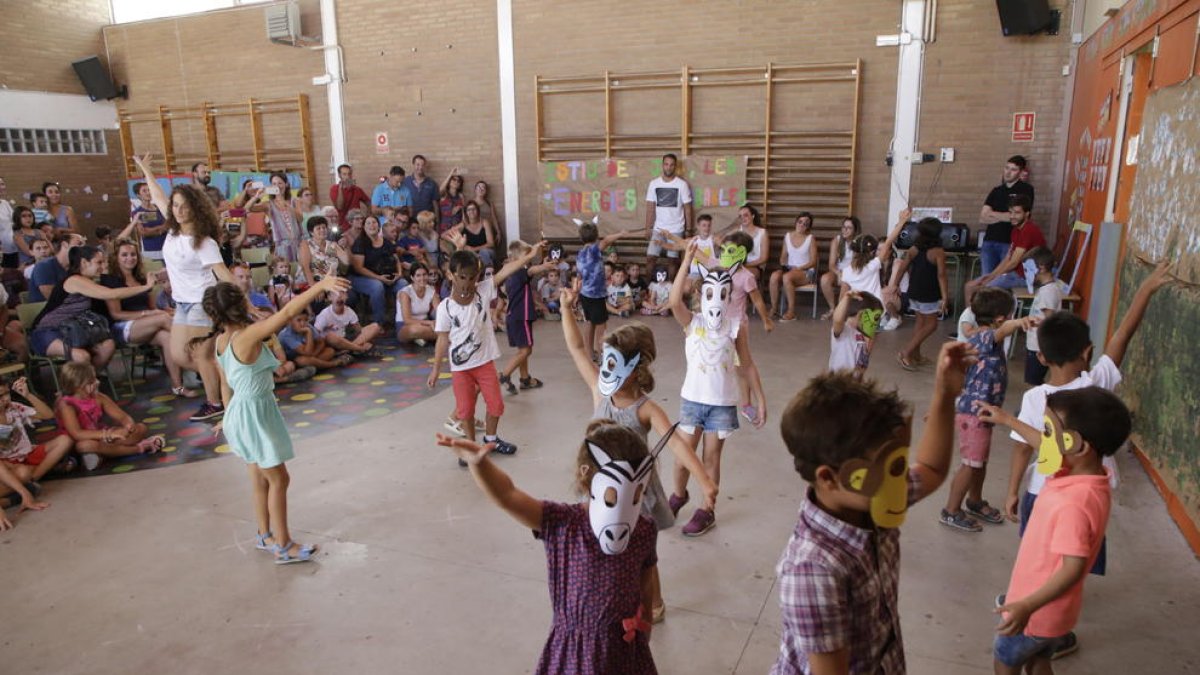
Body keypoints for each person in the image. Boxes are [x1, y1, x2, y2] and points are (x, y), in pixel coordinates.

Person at [771, 342, 971, 674]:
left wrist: (945, 393)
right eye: (889, 467)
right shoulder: (812, 571)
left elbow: (932, 470)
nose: (900, 479)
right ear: (829, 478)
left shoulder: (875, 495)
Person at [437, 420, 659, 673]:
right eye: (612, 496)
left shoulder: (643, 529)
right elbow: (507, 496)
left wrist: (645, 627)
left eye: (636, 496)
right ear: (587, 479)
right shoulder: (563, 524)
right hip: (574, 652)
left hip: (624, 647)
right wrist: (480, 464)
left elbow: (645, 583)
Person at [1004, 264, 1171, 582]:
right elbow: (1123, 334)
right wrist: (1145, 290)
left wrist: (1012, 491)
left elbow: (1021, 449)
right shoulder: (1097, 384)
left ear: (1041, 358)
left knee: (1039, 557)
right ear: (1088, 351)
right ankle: (1062, 600)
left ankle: (1037, 602)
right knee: (1076, 556)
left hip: (1042, 491)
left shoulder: (1035, 397)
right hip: (1086, 493)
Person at [559, 291, 718, 621]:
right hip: (602, 490)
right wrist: (564, 309)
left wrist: (704, 481)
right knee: (606, 545)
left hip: (636, 496)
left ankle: (654, 604)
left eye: (612, 362)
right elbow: (576, 348)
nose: (602, 368)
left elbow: (676, 444)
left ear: (633, 370)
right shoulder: (597, 391)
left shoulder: (645, 409)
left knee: (644, 555)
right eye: (603, 360)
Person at [979, 388, 1130, 675]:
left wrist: (1025, 606)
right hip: (1056, 616)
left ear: (1079, 446)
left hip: (1033, 613)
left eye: (1048, 432)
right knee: (1038, 661)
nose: (1043, 439)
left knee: (1005, 663)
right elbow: (1051, 446)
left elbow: (1072, 568)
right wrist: (1008, 420)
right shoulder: (1088, 477)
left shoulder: (1073, 503)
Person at [204, 275, 349, 563]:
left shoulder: (221, 340)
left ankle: (264, 534)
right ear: (239, 304)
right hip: (255, 415)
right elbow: (285, 313)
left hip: (242, 414)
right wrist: (319, 286)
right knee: (279, 479)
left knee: (259, 479)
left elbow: (224, 385)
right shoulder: (248, 336)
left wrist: (228, 416)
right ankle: (284, 546)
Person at [667, 241, 765, 537]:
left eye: (724, 293)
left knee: (711, 458)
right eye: (711, 292)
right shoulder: (692, 322)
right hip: (692, 401)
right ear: (700, 294)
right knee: (683, 458)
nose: (717, 298)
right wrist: (686, 261)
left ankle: (707, 510)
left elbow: (747, 364)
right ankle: (679, 495)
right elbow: (674, 302)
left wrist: (760, 399)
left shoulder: (736, 326)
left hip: (721, 404)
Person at [133, 153, 236, 423]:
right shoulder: (172, 231)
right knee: (179, 355)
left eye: (183, 206)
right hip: (182, 303)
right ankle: (226, 377)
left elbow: (223, 273)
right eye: (175, 205)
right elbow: (157, 196)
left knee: (201, 355)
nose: (178, 210)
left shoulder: (203, 241)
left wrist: (242, 306)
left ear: (196, 209)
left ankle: (215, 403)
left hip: (204, 303)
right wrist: (146, 169)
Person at [426, 235, 542, 456]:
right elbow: (442, 339)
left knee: (496, 405)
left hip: (484, 364)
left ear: (477, 277)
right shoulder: (445, 308)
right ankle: (471, 445)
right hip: (461, 370)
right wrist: (436, 369)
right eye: (462, 277)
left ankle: (491, 440)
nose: (467, 283)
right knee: (466, 410)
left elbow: (507, 271)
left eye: (472, 278)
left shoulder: (484, 290)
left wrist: (530, 254)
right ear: (451, 276)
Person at [939, 288, 1034, 532]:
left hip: (981, 413)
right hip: (974, 415)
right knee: (971, 464)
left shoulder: (980, 340)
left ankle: (974, 500)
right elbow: (1002, 331)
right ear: (1001, 318)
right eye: (1010, 315)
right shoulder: (985, 338)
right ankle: (951, 510)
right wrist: (1019, 322)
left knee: (979, 462)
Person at [29, 245, 154, 369]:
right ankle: (78, 384)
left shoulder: (90, 280)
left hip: (75, 330)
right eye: (99, 262)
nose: (103, 266)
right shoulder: (74, 280)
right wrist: (145, 287)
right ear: (84, 262)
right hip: (47, 332)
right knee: (82, 356)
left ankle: (89, 380)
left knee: (108, 345)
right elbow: (111, 294)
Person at [101, 239, 195, 397]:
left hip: (148, 323)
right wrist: (148, 314)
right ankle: (197, 348)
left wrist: (166, 311)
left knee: (167, 337)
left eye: (133, 254)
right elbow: (116, 314)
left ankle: (177, 386)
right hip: (122, 326)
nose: (130, 258)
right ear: (116, 257)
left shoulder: (142, 279)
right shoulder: (110, 281)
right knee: (164, 319)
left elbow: (153, 309)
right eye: (124, 255)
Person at [56, 362, 164, 469]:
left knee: (141, 428)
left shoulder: (98, 397)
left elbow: (122, 416)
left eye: (95, 378)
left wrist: (128, 425)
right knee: (85, 446)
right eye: (91, 381)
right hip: (80, 442)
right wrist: (108, 435)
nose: (97, 382)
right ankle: (139, 448)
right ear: (77, 387)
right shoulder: (66, 404)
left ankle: (103, 454)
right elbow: (77, 434)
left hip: (102, 437)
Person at [719, 231, 772, 425]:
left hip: (737, 326)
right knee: (733, 366)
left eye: (729, 249)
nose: (724, 253)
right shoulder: (721, 270)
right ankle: (742, 404)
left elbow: (757, 300)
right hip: (721, 326)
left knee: (745, 365)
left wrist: (766, 320)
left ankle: (758, 402)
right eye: (723, 249)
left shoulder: (746, 276)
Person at [576, 218, 640, 359]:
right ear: (596, 235)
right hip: (596, 295)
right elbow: (605, 241)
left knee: (589, 323)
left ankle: (589, 353)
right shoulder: (593, 250)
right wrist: (621, 234)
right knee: (601, 325)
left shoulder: (580, 254)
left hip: (585, 295)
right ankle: (602, 352)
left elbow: (579, 275)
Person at [965, 194, 1046, 304]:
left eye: (1017, 213)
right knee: (969, 286)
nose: (1012, 216)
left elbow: (1013, 263)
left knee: (982, 291)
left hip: (1026, 277)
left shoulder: (1029, 230)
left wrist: (991, 279)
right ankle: (969, 320)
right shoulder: (1015, 230)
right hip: (1016, 274)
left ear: (1027, 214)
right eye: (1011, 212)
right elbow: (1008, 258)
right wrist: (991, 275)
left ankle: (983, 319)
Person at [892, 217, 949, 369]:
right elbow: (941, 275)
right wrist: (945, 296)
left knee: (920, 322)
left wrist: (895, 284)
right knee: (932, 325)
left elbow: (902, 267)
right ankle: (906, 352)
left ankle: (915, 356)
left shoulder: (913, 249)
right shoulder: (938, 252)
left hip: (914, 291)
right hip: (929, 293)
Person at [498, 240, 554, 395]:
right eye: (526, 255)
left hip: (516, 317)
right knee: (526, 351)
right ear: (515, 259)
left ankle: (525, 378)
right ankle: (504, 375)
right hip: (520, 317)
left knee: (523, 349)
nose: (529, 258)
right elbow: (532, 271)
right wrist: (543, 266)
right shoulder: (518, 273)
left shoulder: (515, 274)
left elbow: (530, 271)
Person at [841, 209, 907, 331]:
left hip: (854, 310)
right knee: (866, 343)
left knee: (854, 340)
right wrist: (901, 222)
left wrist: (841, 316)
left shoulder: (846, 271)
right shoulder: (873, 265)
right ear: (872, 252)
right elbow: (888, 242)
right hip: (873, 309)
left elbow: (842, 298)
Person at [0, 376, 73, 482]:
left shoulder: (14, 407)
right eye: (0, 395)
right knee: (22, 472)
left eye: (7, 393)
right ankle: (46, 469)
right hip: (8, 463)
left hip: (27, 454)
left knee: (65, 440)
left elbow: (48, 415)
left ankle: (34, 478)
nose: (6, 398)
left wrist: (28, 395)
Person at [979, 155, 1035, 276]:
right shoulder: (996, 190)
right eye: (1007, 168)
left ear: (1020, 172)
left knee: (1003, 279)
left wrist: (992, 214)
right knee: (986, 278)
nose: (1008, 172)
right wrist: (1005, 216)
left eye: (1013, 170)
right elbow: (983, 217)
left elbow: (1018, 217)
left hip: (1010, 242)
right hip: (990, 241)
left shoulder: (1025, 189)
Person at [643, 153, 693, 278]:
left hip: (676, 229)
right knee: (650, 258)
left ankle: (671, 289)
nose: (668, 167)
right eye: (666, 164)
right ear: (662, 165)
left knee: (673, 261)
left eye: (671, 165)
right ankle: (649, 288)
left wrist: (688, 229)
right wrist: (648, 227)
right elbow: (650, 207)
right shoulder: (654, 184)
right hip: (658, 229)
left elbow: (688, 209)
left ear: (675, 166)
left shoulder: (682, 184)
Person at [350, 214, 402, 326]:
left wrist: (399, 274)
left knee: (403, 284)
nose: (371, 225)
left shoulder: (386, 242)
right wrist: (379, 278)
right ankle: (379, 323)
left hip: (386, 276)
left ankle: (400, 320)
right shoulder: (360, 243)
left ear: (379, 226)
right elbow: (358, 268)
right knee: (377, 286)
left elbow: (396, 259)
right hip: (361, 278)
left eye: (374, 222)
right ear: (364, 227)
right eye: (368, 223)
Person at [1023, 247, 1062, 386]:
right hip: (1036, 344)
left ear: (1042, 268)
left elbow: (1050, 321)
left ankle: (1038, 405)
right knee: (1032, 380)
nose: (1026, 274)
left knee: (1033, 382)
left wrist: (1045, 348)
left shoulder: (1048, 292)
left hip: (1039, 347)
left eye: (1028, 269)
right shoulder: (1046, 289)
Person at [769, 213, 818, 320]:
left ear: (808, 227)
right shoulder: (787, 236)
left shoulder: (810, 238)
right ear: (796, 222)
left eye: (806, 224)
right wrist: (784, 265)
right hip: (790, 268)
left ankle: (791, 312)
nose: (802, 225)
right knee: (774, 276)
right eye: (800, 222)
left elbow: (813, 262)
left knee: (787, 277)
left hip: (805, 271)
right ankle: (774, 308)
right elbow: (783, 257)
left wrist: (799, 268)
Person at [248, 172, 302, 263]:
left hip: (299, 244)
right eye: (274, 184)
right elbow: (249, 208)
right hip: (281, 247)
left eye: (280, 183)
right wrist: (256, 196)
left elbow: (300, 218)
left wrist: (287, 205)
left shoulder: (295, 201)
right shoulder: (269, 204)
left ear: (286, 184)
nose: (277, 186)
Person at [828, 291, 883, 378]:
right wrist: (846, 298)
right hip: (837, 381)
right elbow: (837, 320)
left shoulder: (865, 335)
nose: (875, 324)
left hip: (854, 381)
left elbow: (864, 359)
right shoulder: (844, 330)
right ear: (861, 314)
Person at [314, 290, 382, 356]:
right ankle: (358, 348)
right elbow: (315, 334)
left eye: (342, 293)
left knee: (375, 327)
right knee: (330, 337)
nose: (339, 296)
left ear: (346, 296)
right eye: (335, 293)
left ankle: (348, 350)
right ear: (329, 297)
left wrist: (365, 335)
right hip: (332, 344)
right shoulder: (324, 314)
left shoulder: (349, 311)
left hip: (346, 340)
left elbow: (359, 331)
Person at [279, 309, 351, 371]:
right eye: (299, 320)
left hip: (311, 355)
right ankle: (333, 364)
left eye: (305, 320)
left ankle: (316, 364)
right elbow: (307, 353)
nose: (303, 324)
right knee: (302, 361)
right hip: (294, 360)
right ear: (290, 321)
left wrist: (314, 354)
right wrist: (308, 333)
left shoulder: (308, 326)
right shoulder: (286, 335)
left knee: (330, 351)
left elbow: (321, 342)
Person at [818, 216, 861, 320]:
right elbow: (831, 264)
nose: (845, 230)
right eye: (844, 227)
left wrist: (845, 275)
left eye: (849, 228)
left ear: (855, 230)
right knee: (824, 279)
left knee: (845, 283)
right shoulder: (836, 240)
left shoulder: (859, 242)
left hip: (853, 272)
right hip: (838, 271)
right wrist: (838, 273)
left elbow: (857, 264)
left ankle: (839, 313)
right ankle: (833, 309)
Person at [28, 231, 84, 302]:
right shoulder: (44, 266)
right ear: (65, 244)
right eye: (79, 244)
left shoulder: (75, 265)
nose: (84, 248)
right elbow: (53, 298)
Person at [297, 215, 349, 289]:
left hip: (330, 282)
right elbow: (305, 268)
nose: (322, 230)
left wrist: (345, 246)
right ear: (311, 232)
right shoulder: (306, 244)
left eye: (324, 227)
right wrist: (314, 287)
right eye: (318, 228)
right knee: (339, 296)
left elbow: (347, 261)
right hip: (310, 283)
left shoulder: (332, 245)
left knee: (344, 294)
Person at [719, 204, 769, 279]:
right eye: (740, 216)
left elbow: (763, 258)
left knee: (741, 276)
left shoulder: (762, 233)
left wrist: (744, 265)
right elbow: (720, 239)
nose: (743, 218)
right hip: (736, 264)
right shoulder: (737, 231)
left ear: (753, 216)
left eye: (746, 215)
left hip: (755, 266)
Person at [396, 262, 438, 345]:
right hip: (407, 326)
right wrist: (429, 323)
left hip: (427, 324)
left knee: (445, 325)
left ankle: (424, 337)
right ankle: (444, 336)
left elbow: (440, 311)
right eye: (418, 275)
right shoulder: (405, 292)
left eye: (424, 274)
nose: (422, 278)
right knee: (415, 330)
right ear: (412, 277)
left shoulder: (431, 290)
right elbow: (407, 320)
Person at [450, 201, 496, 268]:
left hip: (487, 252)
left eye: (474, 209)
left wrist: (474, 249)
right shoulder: (463, 225)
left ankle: (487, 275)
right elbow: (444, 235)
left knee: (484, 252)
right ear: (466, 212)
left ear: (478, 211)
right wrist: (459, 244)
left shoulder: (484, 222)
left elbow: (491, 243)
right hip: (471, 254)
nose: (471, 211)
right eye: (469, 209)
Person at [130, 181, 169, 261]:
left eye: (149, 190)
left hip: (167, 247)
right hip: (151, 251)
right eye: (144, 191)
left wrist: (152, 230)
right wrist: (161, 229)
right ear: (138, 195)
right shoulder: (137, 213)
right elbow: (143, 233)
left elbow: (168, 225)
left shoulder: (159, 208)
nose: (148, 193)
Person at [0, 176, 15, 269]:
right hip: (1, 251)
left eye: (2, 184)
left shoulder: (5, 203)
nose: (2, 187)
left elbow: (14, 222)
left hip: (13, 248)